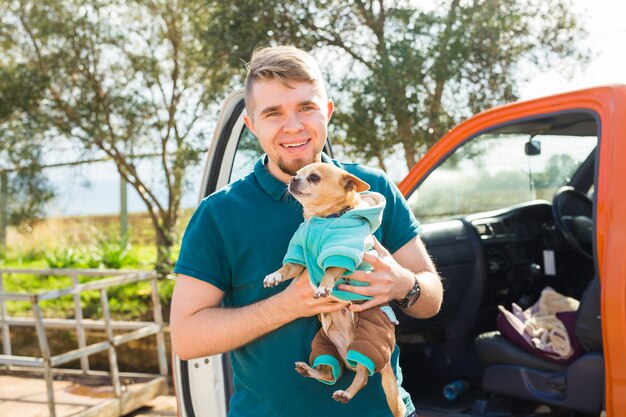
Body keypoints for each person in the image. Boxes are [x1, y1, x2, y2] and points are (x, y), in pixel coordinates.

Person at [170, 45, 443, 417]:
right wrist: (286, 305)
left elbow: (432, 295)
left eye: (306, 107)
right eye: (273, 113)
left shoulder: (369, 187)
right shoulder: (219, 214)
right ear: (252, 125)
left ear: (327, 112)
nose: (294, 126)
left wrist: (403, 284)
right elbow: (186, 339)